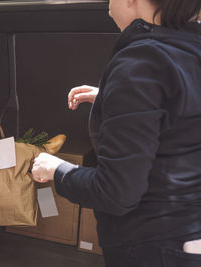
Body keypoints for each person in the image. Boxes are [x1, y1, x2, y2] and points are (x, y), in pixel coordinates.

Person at [32, 0, 201, 266]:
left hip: (152, 248)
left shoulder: (143, 61)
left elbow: (116, 192)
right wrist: (116, 99)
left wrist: (56, 169)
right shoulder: (189, 49)